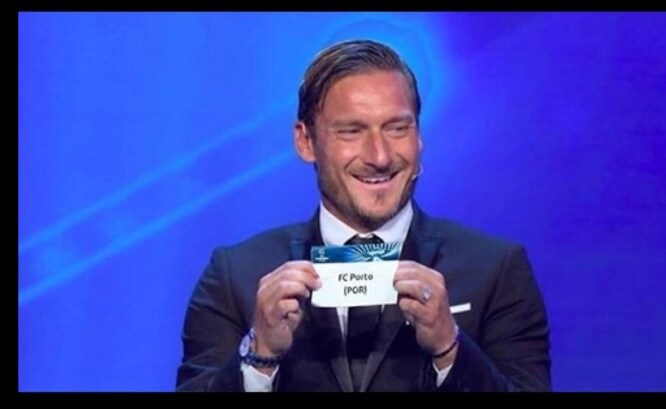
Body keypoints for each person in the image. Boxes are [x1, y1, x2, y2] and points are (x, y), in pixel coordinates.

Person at [175, 39, 551, 392]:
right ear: (305, 141)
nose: (380, 156)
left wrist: (449, 348)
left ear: (419, 136)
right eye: (352, 131)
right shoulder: (235, 277)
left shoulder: (496, 270)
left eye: (397, 128)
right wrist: (259, 356)